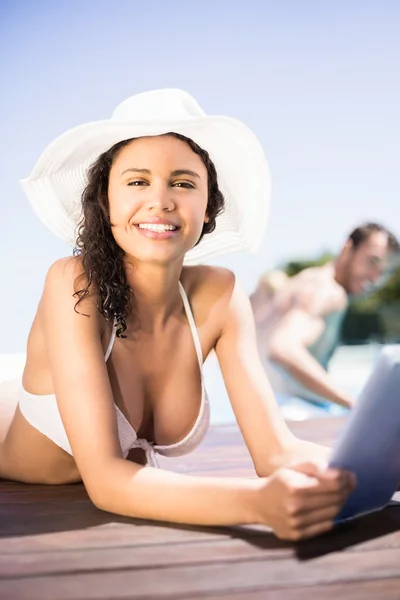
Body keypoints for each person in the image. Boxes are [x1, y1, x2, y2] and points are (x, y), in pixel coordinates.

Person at [0, 89, 355, 541]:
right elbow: (106, 483)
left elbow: (277, 452)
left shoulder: (220, 294)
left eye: (183, 183)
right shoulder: (74, 282)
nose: (161, 200)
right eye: (137, 181)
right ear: (105, 202)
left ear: (208, 210)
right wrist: (256, 504)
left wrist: (373, 468)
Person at [251, 223, 399, 418]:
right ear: (348, 248)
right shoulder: (329, 293)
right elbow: (282, 349)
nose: (375, 277)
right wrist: (353, 403)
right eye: (372, 262)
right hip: (296, 412)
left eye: (385, 271)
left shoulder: (307, 280)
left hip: (266, 410)